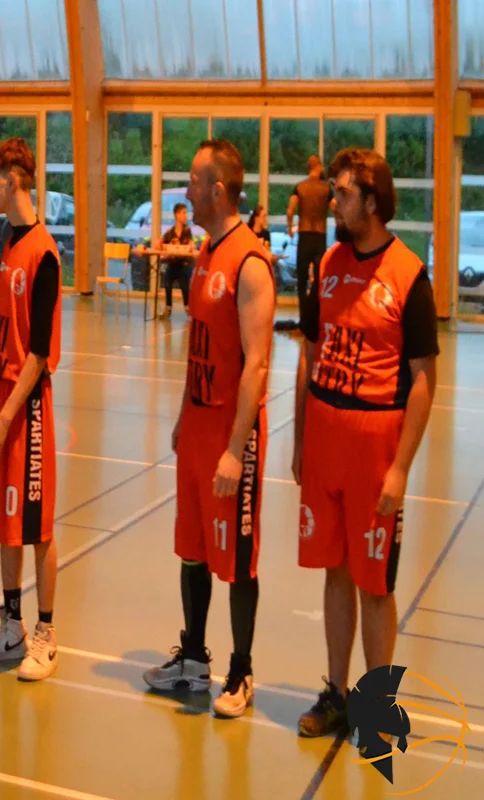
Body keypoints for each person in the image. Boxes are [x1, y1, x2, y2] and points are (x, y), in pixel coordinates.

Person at [294, 148, 438, 738]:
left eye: (344, 193)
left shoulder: (408, 274)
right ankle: (336, 693)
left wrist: (401, 467)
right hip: (325, 436)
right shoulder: (329, 262)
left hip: (376, 444)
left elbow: (424, 379)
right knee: (334, 571)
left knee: (374, 583)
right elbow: (308, 353)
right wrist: (300, 439)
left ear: (372, 202)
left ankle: (377, 706)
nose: (333, 201)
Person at [142, 140, 276, 719]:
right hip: (196, 425)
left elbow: (257, 363)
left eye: (194, 182)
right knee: (192, 548)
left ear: (218, 191)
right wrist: (182, 414)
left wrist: (235, 449)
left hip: (229, 431)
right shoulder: (203, 253)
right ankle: (194, 659)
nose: (187, 191)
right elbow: (199, 346)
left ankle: (241, 671)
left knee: (238, 558)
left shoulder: (250, 262)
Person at [0, 137, 61, 681]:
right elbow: (0, 336)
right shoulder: (6, 243)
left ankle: (46, 632)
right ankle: (11, 626)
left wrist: (6, 416)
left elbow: (39, 352)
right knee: (7, 521)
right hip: (0, 394)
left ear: (15, 181)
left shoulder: (43, 253)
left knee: (37, 524)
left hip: (27, 406)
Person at [287, 155, 333, 303]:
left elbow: (290, 210)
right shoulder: (326, 189)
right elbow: (335, 207)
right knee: (319, 276)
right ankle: (316, 307)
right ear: (319, 167)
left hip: (304, 233)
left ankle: (303, 309)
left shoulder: (300, 187)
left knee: (302, 275)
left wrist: (289, 228)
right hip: (320, 234)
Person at [158, 203, 197, 318]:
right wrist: (163, 244)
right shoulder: (170, 232)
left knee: (184, 279)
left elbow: (192, 245)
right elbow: (158, 244)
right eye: (183, 213)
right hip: (172, 264)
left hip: (184, 264)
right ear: (176, 215)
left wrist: (191, 246)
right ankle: (168, 308)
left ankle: (188, 308)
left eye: (186, 213)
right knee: (168, 278)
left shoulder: (187, 231)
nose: (186, 216)